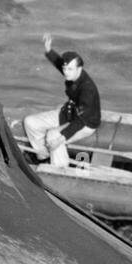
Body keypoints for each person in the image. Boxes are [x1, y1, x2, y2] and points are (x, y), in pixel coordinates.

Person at [23, 34, 101, 167]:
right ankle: (43, 155)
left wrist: (61, 138)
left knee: (53, 136)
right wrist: (49, 50)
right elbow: (60, 64)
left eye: (69, 69)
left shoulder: (87, 89)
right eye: (65, 69)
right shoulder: (72, 74)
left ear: (79, 69)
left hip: (85, 123)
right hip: (69, 113)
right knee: (30, 122)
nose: (65, 72)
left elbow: (80, 121)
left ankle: (59, 170)